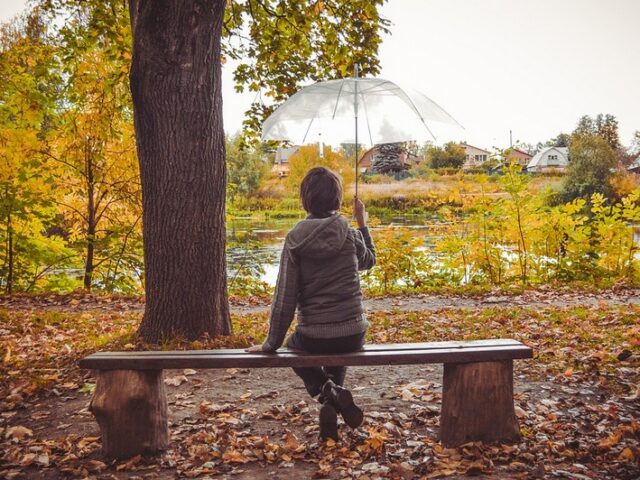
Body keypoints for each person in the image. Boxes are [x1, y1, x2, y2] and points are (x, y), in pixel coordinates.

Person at [245, 166, 376, 440]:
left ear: (306, 198)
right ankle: (333, 399)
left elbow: (285, 298)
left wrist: (271, 344)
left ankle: (327, 391)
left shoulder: (295, 239)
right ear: (337, 198)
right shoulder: (349, 233)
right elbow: (369, 262)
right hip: (354, 333)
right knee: (338, 341)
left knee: (294, 348)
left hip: (314, 336)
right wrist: (362, 224)